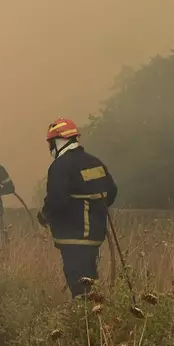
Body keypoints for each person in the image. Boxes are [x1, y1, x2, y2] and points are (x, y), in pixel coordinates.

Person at [37, 118, 118, 298]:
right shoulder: (95, 161)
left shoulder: (61, 166)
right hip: (95, 234)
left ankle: (84, 320)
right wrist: (94, 209)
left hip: (74, 236)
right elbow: (111, 192)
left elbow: (57, 200)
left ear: (58, 141)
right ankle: (95, 317)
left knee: (78, 283)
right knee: (90, 279)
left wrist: (44, 215)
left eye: (51, 143)